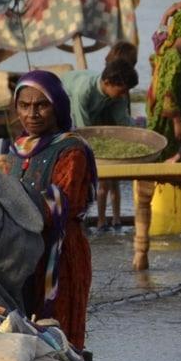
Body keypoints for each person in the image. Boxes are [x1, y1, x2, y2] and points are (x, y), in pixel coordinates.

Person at [5, 71, 97, 350]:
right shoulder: (19, 147)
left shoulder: (71, 149)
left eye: (41, 105)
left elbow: (62, 201)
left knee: (60, 330)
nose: (32, 114)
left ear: (57, 106)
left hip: (60, 251)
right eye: (24, 105)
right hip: (22, 250)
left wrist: (10, 202)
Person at [60, 59, 137, 232]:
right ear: (108, 83)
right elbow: (84, 131)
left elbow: (123, 123)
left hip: (94, 116)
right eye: (122, 90)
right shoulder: (83, 91)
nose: (125, 94)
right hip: (67, 113)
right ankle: (76, 217)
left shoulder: (118, 97)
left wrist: (139, 135)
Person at [148, 4, 181, 158]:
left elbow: (161, 35)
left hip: (175, 110)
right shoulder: (175, 56)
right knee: (163, 149)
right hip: (166, 114)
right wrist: (177, 123)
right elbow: (168, 92)